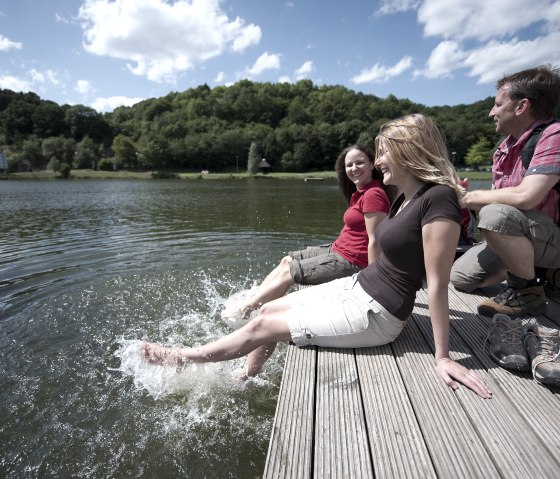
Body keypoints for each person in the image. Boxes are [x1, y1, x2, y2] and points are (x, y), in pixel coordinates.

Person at [141, 114, 492, 399]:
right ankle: (246, 375)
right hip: (358, 288)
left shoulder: (439, 199)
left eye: (383, 153)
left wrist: (443, 356)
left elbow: (438, 283)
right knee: (266, 309)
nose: (378, 161)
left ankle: (185, 358)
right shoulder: (406, 196)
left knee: (264, 325)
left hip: (377, 314)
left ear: (408, 151)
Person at [221, 144, 392, 320]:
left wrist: (373, 282)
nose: (354, 168)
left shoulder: (373, 195)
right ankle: (256, 300)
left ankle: (247, 310)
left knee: (290, 272)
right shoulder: (362, 192)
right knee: (287, 260)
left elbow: (376, 241)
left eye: (360, 163)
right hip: (338, 249)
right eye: (349, 165)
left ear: (372, 164)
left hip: (352, 261)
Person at [451, 64, 560, 318]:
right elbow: (497, 198)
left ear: (521, 106)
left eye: (498, 104)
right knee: (461, 277)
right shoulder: (504, 148)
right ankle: (541, 273)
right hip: (525, 234)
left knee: (494, 215)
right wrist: (458, 194)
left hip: (554, 236)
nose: (491, 113)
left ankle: (527, 291)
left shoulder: (554, 134)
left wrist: (470, 198)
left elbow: (526, 196)